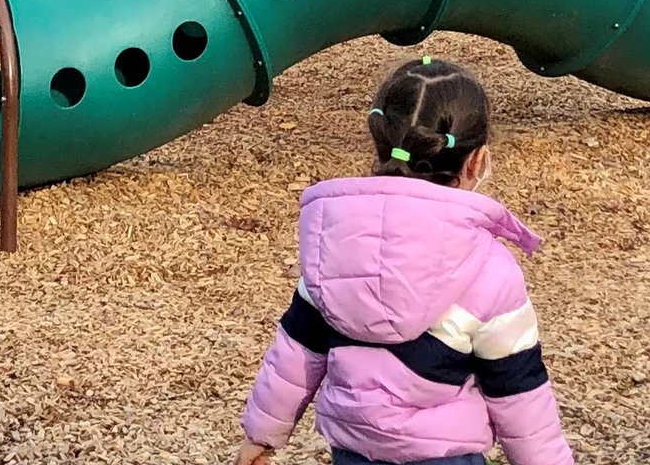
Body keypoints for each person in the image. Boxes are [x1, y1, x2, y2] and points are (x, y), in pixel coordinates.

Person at [235, 58, 575, 465]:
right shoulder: (489, 268)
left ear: (380, 140)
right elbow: (518, 388)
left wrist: (261, 435)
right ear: (476, 161)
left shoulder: (333, 244)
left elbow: (296, 351)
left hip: (355, 452)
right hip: (446, 455)